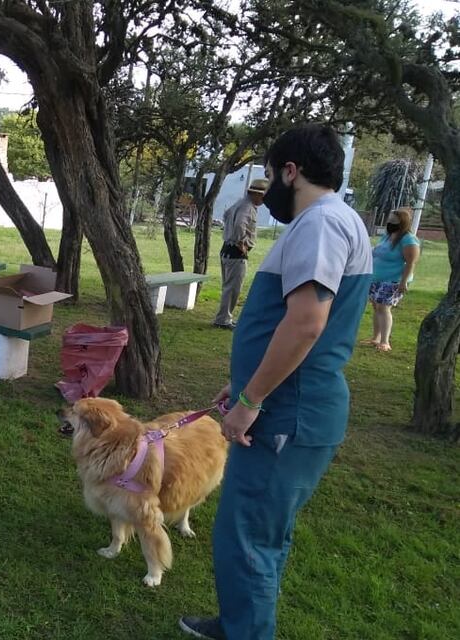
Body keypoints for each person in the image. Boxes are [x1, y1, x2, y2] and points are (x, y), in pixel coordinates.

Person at [179, 124, 372, 640]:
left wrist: (251, 397)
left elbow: (307, 323)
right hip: (289, 406)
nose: (268, 193)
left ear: (291, 171)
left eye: (270, 174)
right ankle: (240, 623)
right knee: (261, 533)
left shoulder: (321, 224)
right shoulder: (338, 220)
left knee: (247, 537)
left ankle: (246, 633)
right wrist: (239, 380)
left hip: (286, 412)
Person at [363, 207, 421, 352]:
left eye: (393, 220)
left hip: (393, 280)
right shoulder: (388, 236)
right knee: (376, 307)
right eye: (389, 219)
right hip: (377, 278)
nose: (389, 222)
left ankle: (385, 341)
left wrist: (403, 282)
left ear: (402, 222)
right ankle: (375, 338)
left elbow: (411, 262)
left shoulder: (408, 239)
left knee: (384, 308)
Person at [213, 178, 269, 329]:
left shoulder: (239, 203)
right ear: (257, 195)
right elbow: (239, 225)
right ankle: (223, 319)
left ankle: (225, 317)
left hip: (227, 249)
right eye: (263, 197)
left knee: (228, 287)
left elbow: (226, 216)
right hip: (235, 252)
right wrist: (241, 242)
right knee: (232, 289)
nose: (264, 201)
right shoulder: (247, 207)